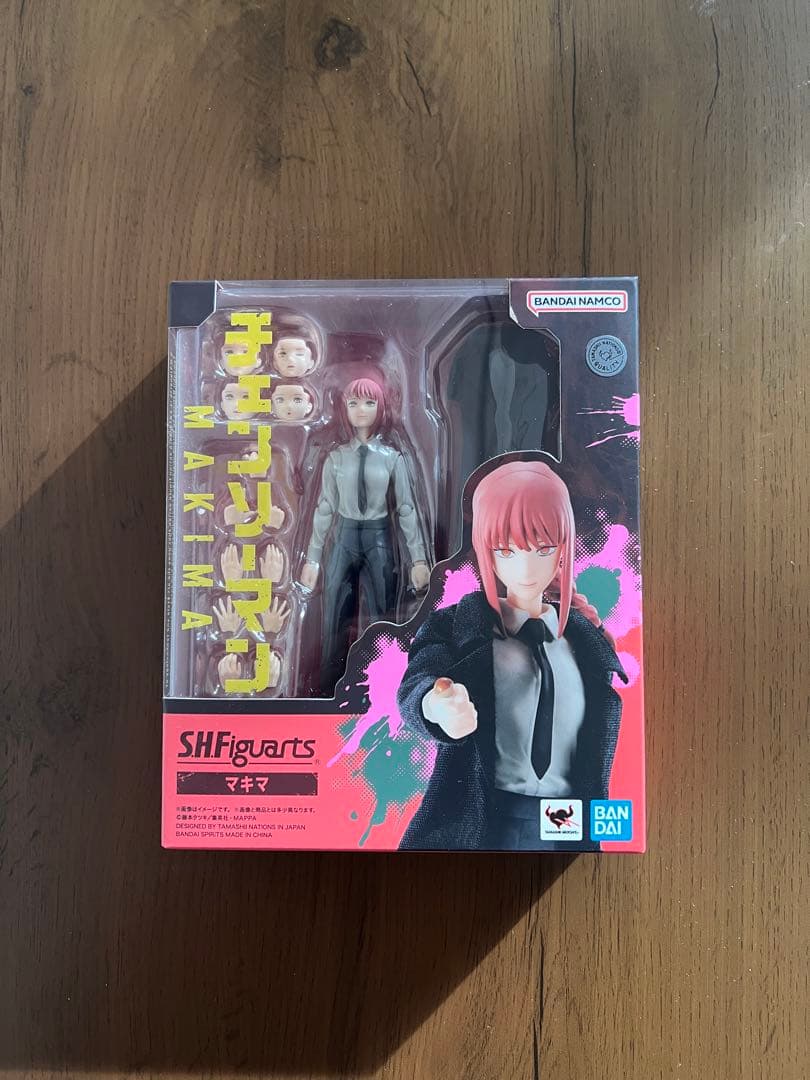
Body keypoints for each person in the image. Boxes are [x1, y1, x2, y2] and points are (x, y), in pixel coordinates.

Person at [396, 458, 626, 851]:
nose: (526, 568)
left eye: (543, 548)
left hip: (564, 824)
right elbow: (417, 682)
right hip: (478, 822)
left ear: (564, 547)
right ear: (486, 551)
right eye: (506, 550)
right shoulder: (458, 626)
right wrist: (435, 706)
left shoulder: (587, 644)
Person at [299, 377, 430, 693]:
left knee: (383, 618)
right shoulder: (336, 458)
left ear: (381, 408)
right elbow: (324, 508)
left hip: (379, 539)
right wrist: (313, 558)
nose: (361, 410)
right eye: (354, 403)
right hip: (343, 538)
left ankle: (386, 687)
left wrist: (418, 559)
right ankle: (328, 689)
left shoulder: (392, 457)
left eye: (370, 403)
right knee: (333, 618)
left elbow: (407, 509)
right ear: (344, 408)